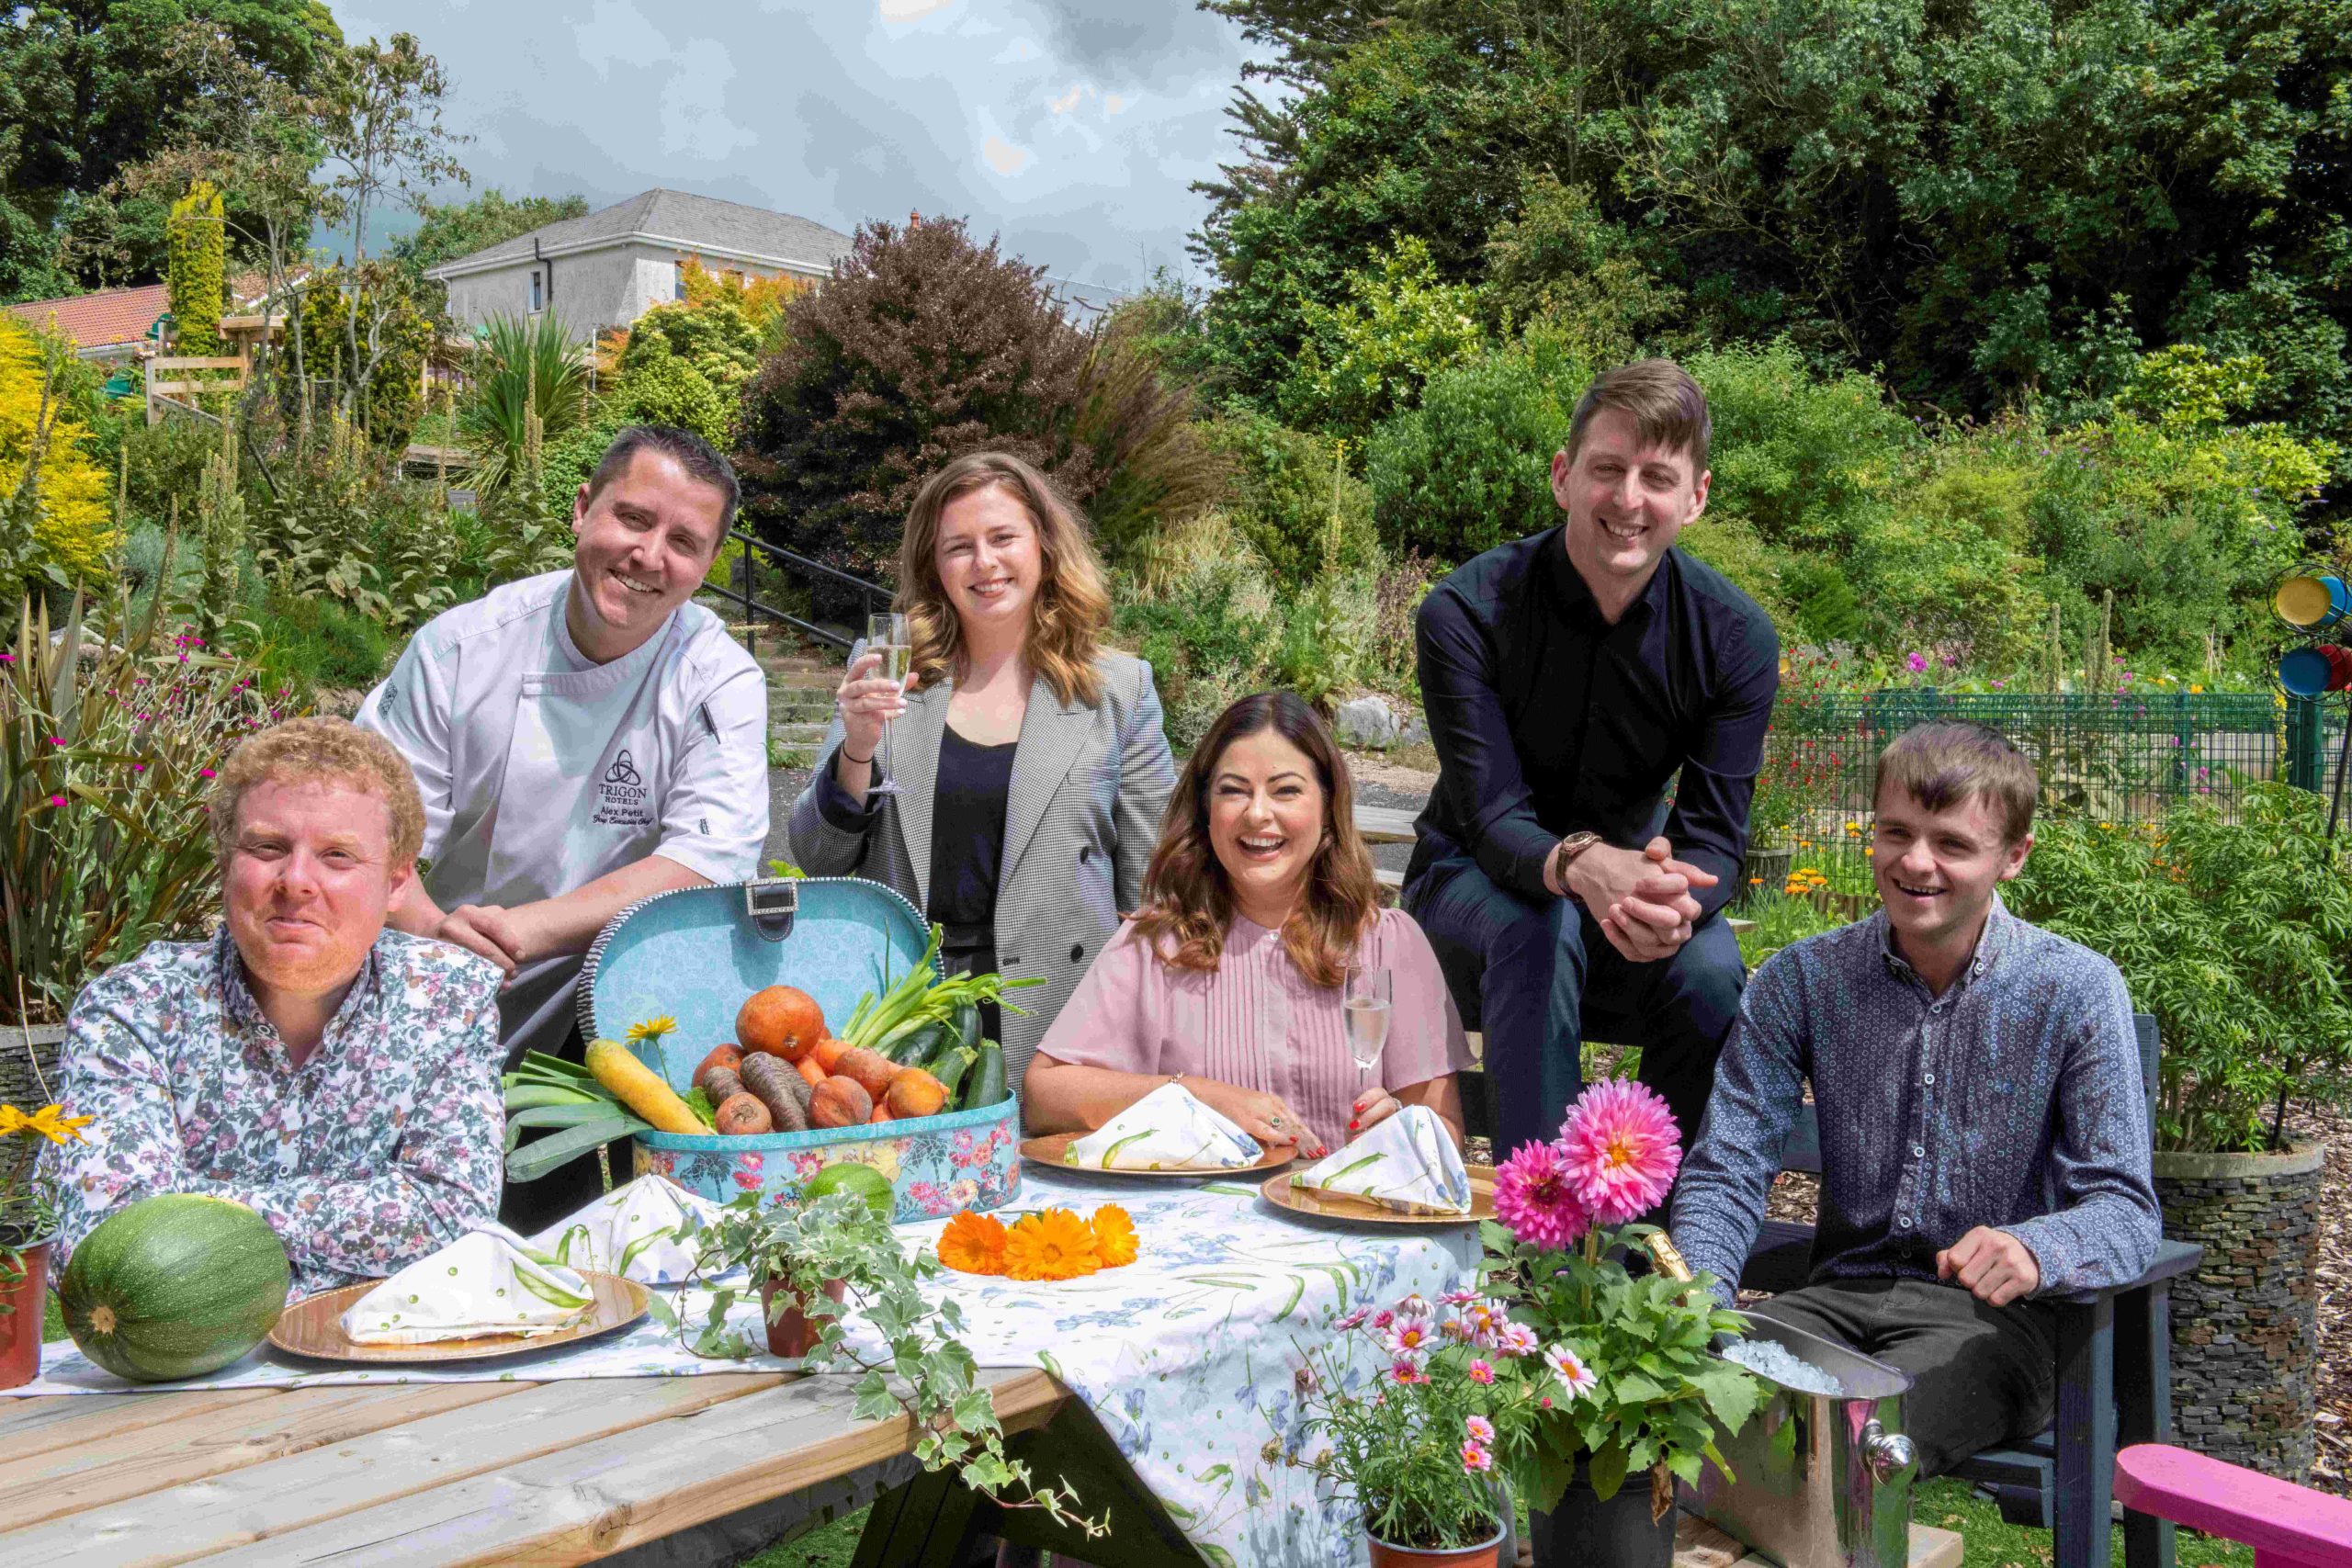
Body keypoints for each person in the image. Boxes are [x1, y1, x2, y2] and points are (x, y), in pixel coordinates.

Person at [1670, 722, 2161, 1476]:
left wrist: (2035, 1248)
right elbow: (1727, 1166)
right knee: (1690, 1395)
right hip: (1831, 1303)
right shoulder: (1802, 980)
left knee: (1853, 1438)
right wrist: (1697, 1299)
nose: (1915, 861)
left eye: (1953, 844)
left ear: (2014, 856)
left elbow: (2126, 1210)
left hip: (1993, 1326)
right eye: (1895, 832)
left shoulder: (2076, 990)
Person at [356, 424, 768, 1228]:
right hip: (424, 973)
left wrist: (520, 931)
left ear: (708, 566)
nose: (650, 556)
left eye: (684, 541)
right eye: (634, 519)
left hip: (612, 1013)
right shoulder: (463, 650)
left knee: (578, 1242)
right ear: (582, 511)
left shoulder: (719, 678)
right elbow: (370, 838)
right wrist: (444, 934)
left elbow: (708, 860)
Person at [1404, 358, 1779, 1163]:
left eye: (1657, 477)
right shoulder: (1465, 612)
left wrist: (1669, 902)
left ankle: (1665, 1249)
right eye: (1607, 469)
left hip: (1623, 909)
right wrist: (1579, 865)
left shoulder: (1733, 636)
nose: (1629, 500)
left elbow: (1714, 838)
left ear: (1696, 496)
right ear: (1564, 477)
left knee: (1711, 969)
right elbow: (1494, 820)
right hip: (1468, 895)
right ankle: (1544, 1235)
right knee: (1542, 923)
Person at [43, 719, 505, 1298]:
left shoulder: (448, 1000)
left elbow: (453, 1215)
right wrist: (367, 1241)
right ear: (224, 861)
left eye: (337, 856)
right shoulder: (133, 1010)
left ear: (395, 883)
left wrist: (190, 1208)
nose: (297, 881)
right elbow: (105, 1240)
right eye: (268, 848)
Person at [788, 451, 1175, 1089]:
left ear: (1045, 547)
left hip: (1064, 1020)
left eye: (1003, 538)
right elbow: (819, 860)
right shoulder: (888, 669)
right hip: (901, 1014)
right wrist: (857, 746)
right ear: (933, 566)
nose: (985, 563)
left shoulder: (1119, 689)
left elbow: (1155, 892)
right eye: (959, 547)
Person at [1025, 693, 1473, 1157]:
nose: (1258, 813)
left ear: (1327, 808)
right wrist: (1193, 1096)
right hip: (1194, 1220)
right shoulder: (1157, 945)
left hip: (1350, 1220)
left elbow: (1446, 1131)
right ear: (1205, 810)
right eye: (1234, 790)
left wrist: (1403, 1132)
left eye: (1286, 791)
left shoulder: (1388, 945)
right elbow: (1044, 1094)